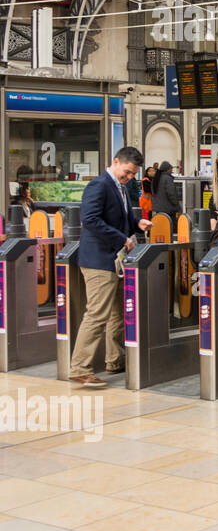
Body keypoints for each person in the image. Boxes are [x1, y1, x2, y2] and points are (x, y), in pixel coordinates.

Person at [68, 147, 152, 387]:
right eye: (126, 172)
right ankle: (80, 367)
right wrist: (121, 239)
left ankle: (115, 360)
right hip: (99, 261)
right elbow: (91, 220)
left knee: (117, 311)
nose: (128, 177)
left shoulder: (120, 187)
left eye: (132, 174)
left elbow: (119, 218)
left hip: (113, 259)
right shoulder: (100, 185)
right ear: (116, 162)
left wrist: (137, 224)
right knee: (97, 313)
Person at [150, 160, 181, 225]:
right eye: (171, 169)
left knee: (162, 228)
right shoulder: (167, 179)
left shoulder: (156, 178)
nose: (172, 171)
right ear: (167, 169)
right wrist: (177, 205)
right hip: (168, 209)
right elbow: (171, 194)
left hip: (158, 209)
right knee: (170, 228)